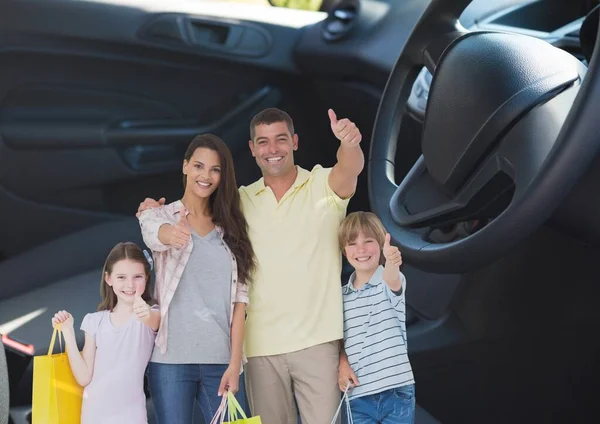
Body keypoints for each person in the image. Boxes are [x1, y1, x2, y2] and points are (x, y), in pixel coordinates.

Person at [137, 107, 364, 423]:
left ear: (295, 142)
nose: (273, 149)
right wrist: (154, 213)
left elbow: (349, 168)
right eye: (263, 141)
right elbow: (189, 211)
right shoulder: (239, 203)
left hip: (316, 343)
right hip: (258, 350)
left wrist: (349, 143)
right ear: (252, 149)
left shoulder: (323, 185)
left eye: (281, 139)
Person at [137, 134, 255, 423]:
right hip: (170, 363)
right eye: (199, 166)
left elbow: (240, 305)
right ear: (185, 166)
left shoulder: (232, 230)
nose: (206, 176)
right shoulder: (160, 214)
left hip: (221, 361)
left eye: (215, 169)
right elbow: (154, 232)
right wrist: (171, 234)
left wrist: (234, 363)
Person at [51, 242, 159, 424]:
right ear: (108, 279)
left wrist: (144, 310)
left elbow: (154, 318)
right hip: (94, 415)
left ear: (147, 278)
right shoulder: (94, 321)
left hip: (131, 417)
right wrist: (68, 333)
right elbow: (84, 377)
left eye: (137, 277)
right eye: (121, 277)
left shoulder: (150, 315)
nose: (130, 284)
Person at [337, 212, 416, 424]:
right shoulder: (340, 297)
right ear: (344, 252)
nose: (361, 249)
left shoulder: (389, 281)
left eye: (368, 241)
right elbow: (340, 341)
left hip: (396, 391)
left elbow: (392, 277)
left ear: (380, 245)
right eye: (352, 243)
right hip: (358, 395)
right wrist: (342, 364)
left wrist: (392, 261)